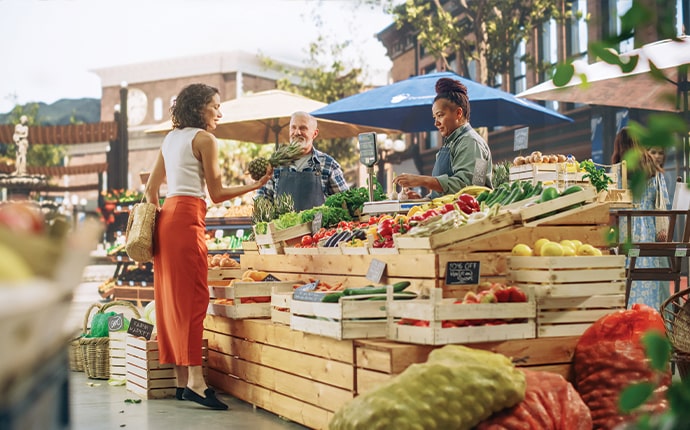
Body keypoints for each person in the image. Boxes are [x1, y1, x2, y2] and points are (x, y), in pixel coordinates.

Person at [143, 83, 271, 410]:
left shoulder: (170, 139)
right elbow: (216, 193)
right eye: (215, 105)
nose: (219, 112)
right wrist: (255, 185)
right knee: (196, 297)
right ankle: (198, 385)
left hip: (167, 219)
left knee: (171, 300)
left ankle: (180, 381)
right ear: (200, 107)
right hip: (186, 218)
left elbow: (151, 191)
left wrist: (161, 216)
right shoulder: (204, 139)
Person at [393, 77, 493, 199]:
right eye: (434, 117)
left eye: (440, 115)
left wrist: (423, 180)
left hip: (465, 216)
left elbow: (471, 187)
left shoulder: (472, 142)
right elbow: (444, 194)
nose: (436, 123)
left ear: (458, 113)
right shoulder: (451, 143)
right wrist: (422, 199)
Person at [611, 127, 670, 311]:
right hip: (650, 231)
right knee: (650, 276)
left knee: (627, 275)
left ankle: (629, 316)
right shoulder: (653, 170)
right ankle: (654, 317)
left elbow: (610, 206)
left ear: (619, 146)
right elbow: (663, 202)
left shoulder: (617, 172)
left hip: (625, 230)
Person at [255, 111, 349, 211]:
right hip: (283, 226)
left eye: (303, 128)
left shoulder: (328, 165)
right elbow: (262, 201)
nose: (297, 132)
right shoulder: (276, 165)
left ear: (315, 133)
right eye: (293, 127)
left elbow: (345, 203)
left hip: (318, 226)